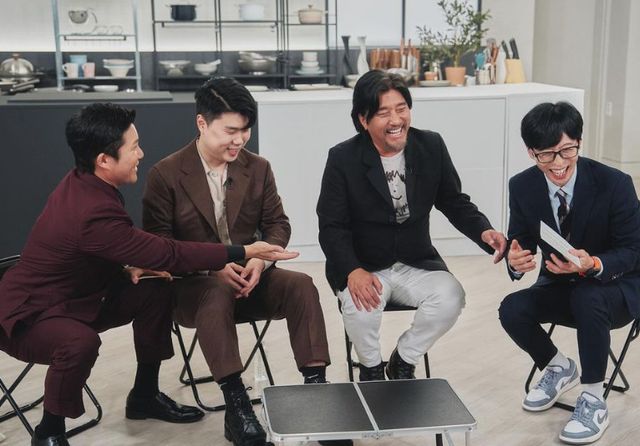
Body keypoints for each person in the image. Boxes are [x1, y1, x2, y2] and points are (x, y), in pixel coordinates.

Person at [0, 103, 296, 446]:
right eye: (134, 147)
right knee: (78, 343)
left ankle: (144, 395)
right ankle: (49, 432)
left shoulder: (87, 182)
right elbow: (169, 253)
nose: (141, 153)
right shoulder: (90, 208)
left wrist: (129, 264)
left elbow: (101, 248)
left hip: (81, 297)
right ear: (104, 160)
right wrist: (244, 251)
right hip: (31, 315)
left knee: (155, 289)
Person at [142, 77, 337, 446]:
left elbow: (277, 224)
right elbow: (160, 247)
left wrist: (260, 262)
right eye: (230, 131)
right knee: (215, 291)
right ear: (202, 123)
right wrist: (213, 265)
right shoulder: (165, 174)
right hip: (193, 289)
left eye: (245, 130)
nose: (239, 140)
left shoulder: (258, 168)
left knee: (301, 285)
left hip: (251, 279)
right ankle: (237, 407)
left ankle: (318, 396)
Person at [316, 70, 506, 382]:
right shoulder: (343, 158)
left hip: (415, 260)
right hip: (363, 264)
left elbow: (453, 201)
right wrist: (352, 270)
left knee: (451, 298)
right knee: (361, 310)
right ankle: (371, 369)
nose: (396, 120)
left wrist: (483, 231)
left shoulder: (430, 145)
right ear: (363, 119)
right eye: (384, 113)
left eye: (401, 108)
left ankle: (403, 359)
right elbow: (331, 226)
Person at [498, 101, 640, 444]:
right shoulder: (522, 186)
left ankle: (593, 398)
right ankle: (559, 366)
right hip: (562, 284)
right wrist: (515, 260)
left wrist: (594, 264)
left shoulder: (615, 183)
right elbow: (521, 238)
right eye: (546, 154)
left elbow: (633, 250)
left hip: (617, 288)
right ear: (531, 152)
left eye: (567, 150)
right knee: (511, 308)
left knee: (588, 296)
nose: (558, 163)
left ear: (579, 142)